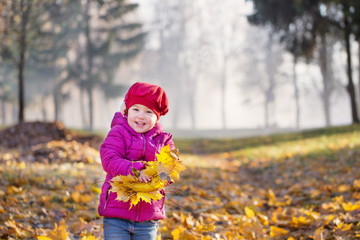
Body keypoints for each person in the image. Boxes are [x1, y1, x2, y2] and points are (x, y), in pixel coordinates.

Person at [98, 82, 175, 240]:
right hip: (117, 214)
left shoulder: (164, 140)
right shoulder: (118, 132)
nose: (141, 116)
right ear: (126, 111)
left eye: (148, 111)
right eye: (136, 109)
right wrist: (134, 169)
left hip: (148, 216)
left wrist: (160, 175)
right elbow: (109, 159)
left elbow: (170, 168)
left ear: (157, 116)